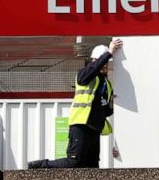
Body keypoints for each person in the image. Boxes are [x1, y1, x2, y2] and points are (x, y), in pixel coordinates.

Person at [28, 38, 122, 169]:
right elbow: (91, 72)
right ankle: (41, 165)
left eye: (107, 63)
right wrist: (109, 53)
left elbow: (105, 111)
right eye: (104, 62)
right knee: (74, 162)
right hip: (80, 125)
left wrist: (112, 105)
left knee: (92, 166)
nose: (106, 66)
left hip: (95, 129)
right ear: (95, 61)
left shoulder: (107, 84)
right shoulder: (85, 75)